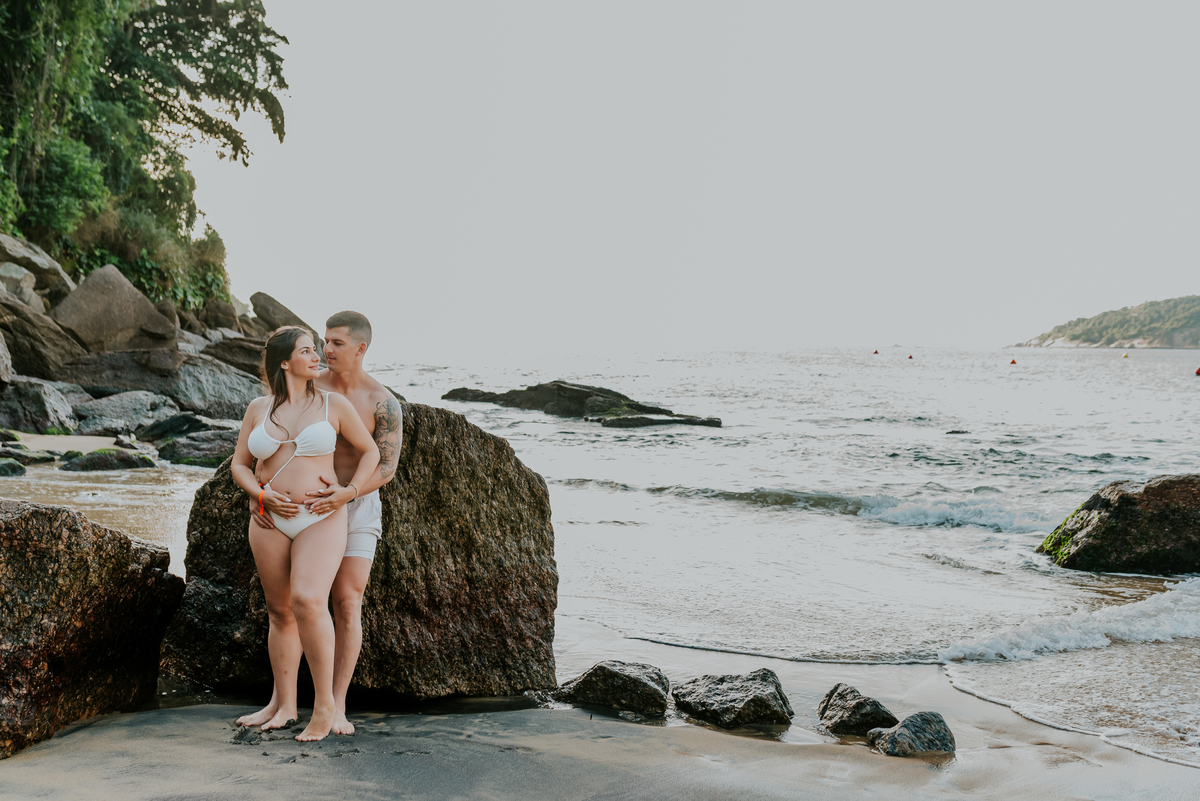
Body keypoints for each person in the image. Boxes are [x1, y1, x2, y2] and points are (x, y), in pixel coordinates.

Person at [236, 311, 403, 736]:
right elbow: (250, 455)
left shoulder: (378, 401)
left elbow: (384, 464)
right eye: (319, 344)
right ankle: (284, 702)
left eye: (334, 344)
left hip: (352, 502)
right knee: (284, 609)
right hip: (284, 510)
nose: (325, 351)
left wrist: (347, 493)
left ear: (360, 349)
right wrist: (260, 491)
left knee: (343, 601)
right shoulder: (304, 387)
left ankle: (335, 706)